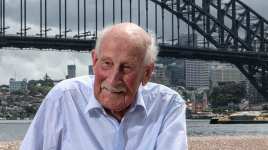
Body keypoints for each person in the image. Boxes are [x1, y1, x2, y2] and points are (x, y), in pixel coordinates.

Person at [20, 22, 188, 150]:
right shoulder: (64, 98)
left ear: (146, 73)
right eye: (107, 63)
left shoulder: (168, 105)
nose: (114, 79)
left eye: (127, 67)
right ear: (94, 61)